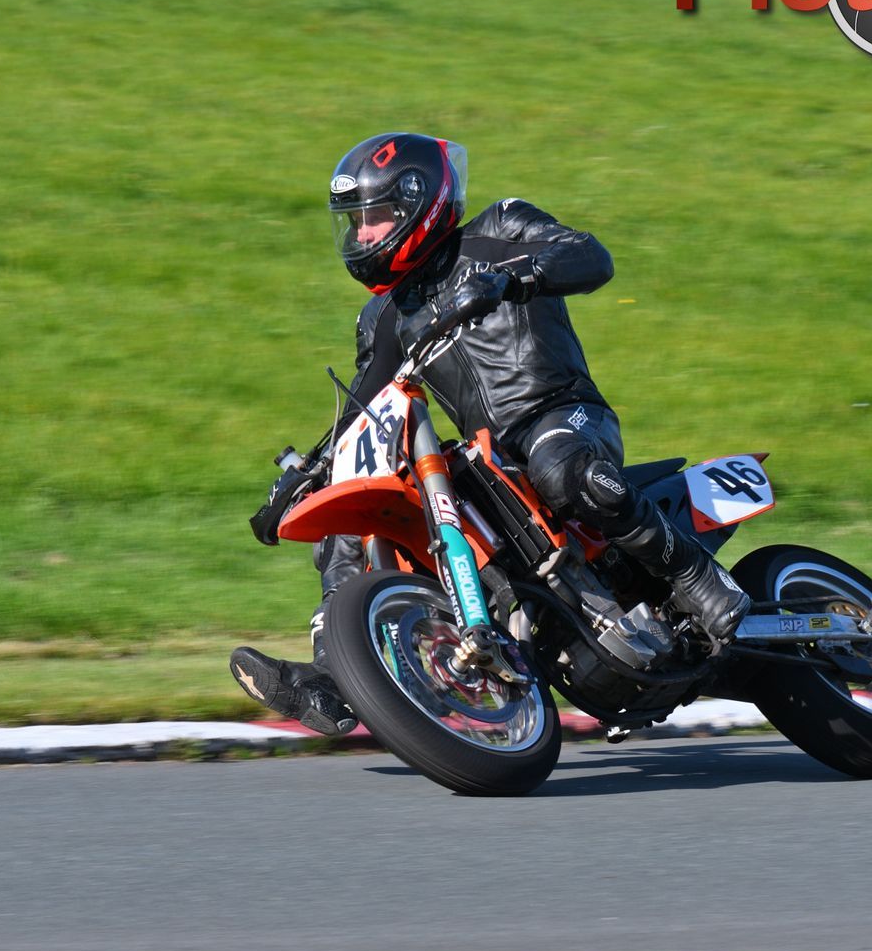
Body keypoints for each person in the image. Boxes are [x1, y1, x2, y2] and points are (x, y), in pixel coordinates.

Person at [230, 133, 749, 735]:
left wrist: (511, 278)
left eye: (375, 219)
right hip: (488, 460)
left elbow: (590, 258)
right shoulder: (384, 316)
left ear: (418, 205)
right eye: (356, 223)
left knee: (557, 463)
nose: (363, 235)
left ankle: (697, 579)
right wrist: (302, 481)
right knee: (349, 523)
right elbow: (364, 411)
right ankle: (340, 676)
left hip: (562, 416)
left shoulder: (500, 226)